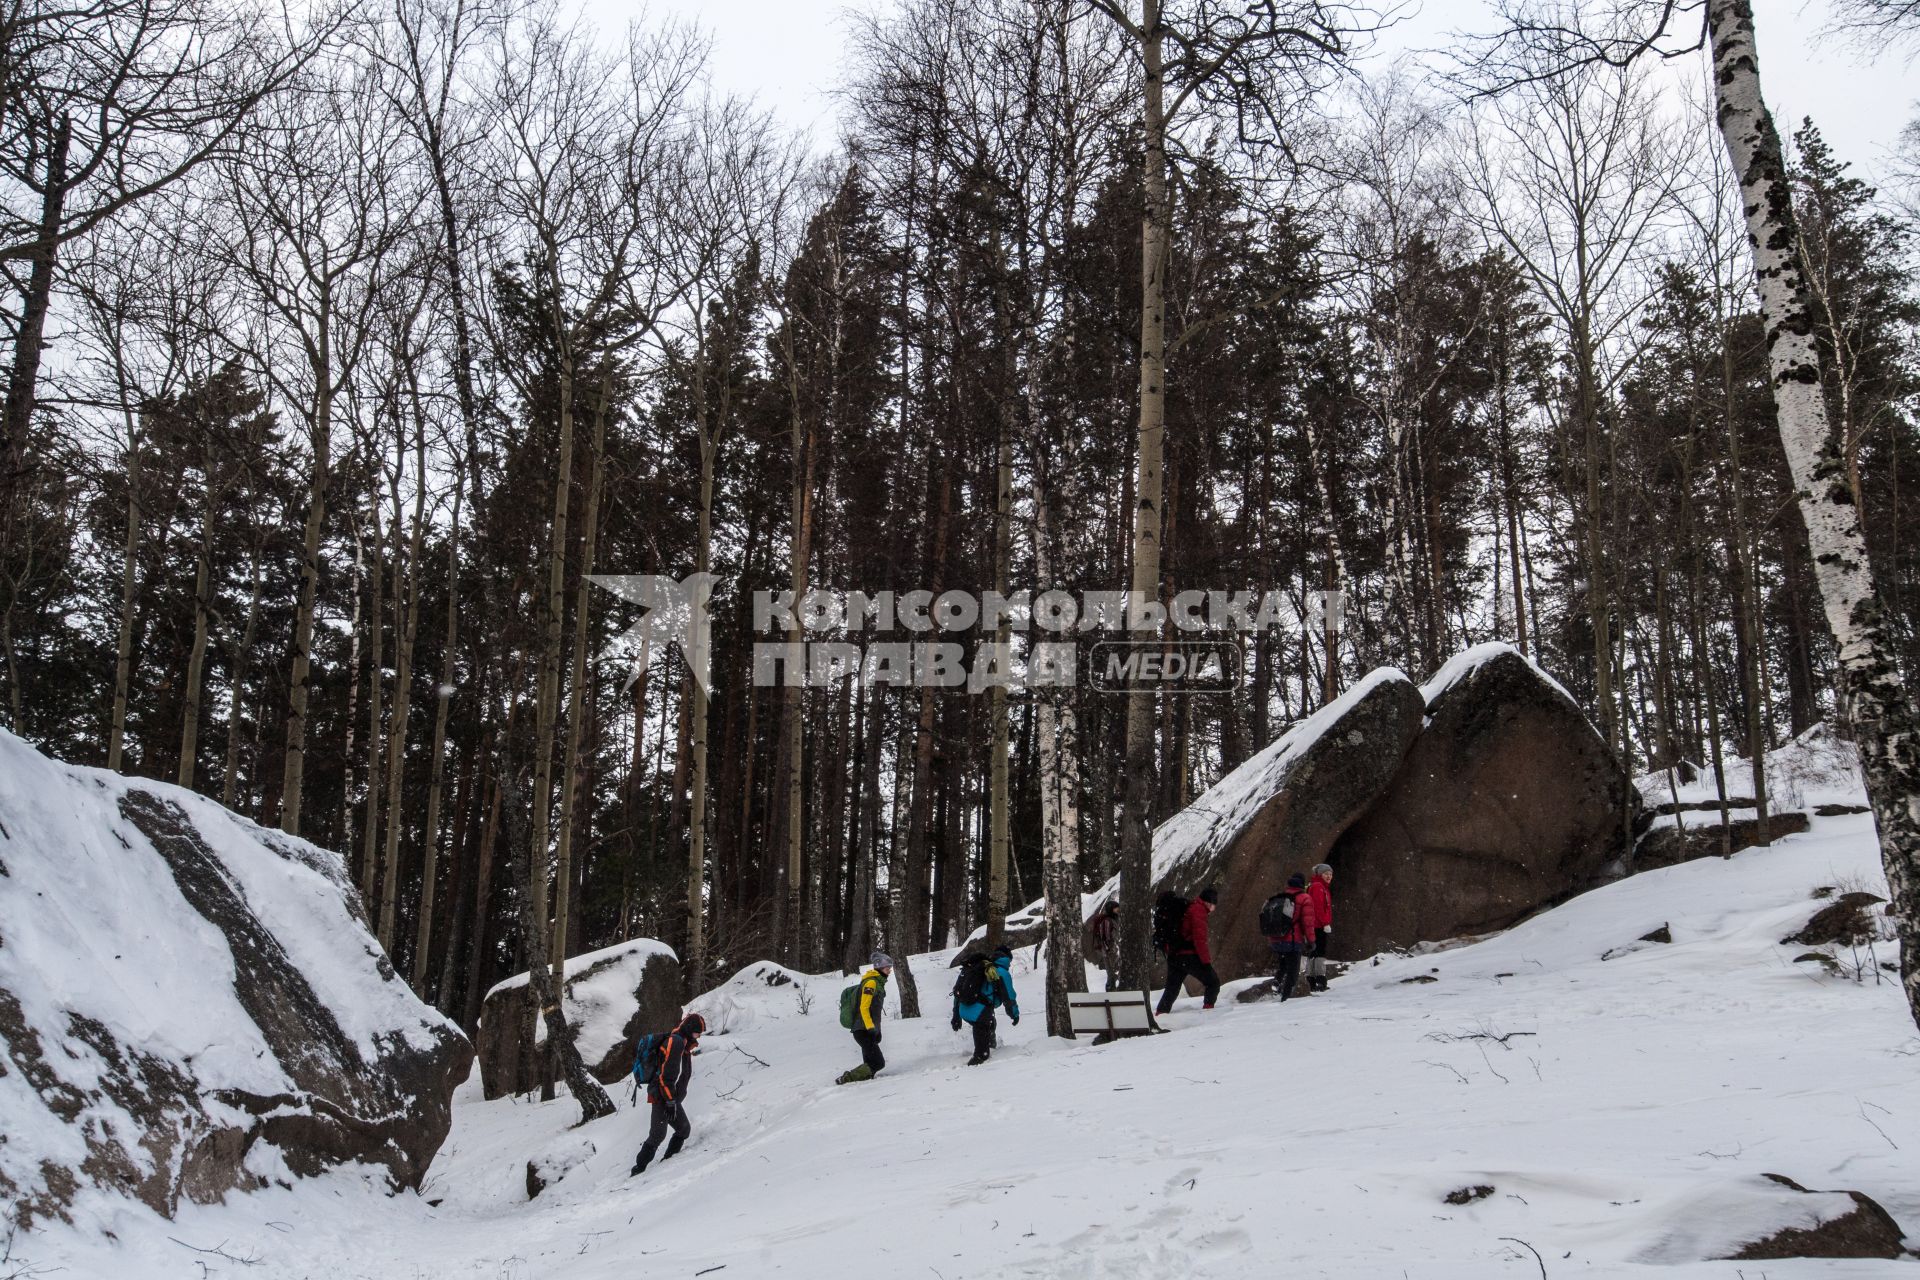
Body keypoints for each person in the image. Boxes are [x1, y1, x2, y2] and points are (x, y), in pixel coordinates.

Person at [630, 1012, 706, 1176]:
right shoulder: (676, 1042)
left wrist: (674, 1100)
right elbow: (666, 1076)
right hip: (662, 1096)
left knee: (683, 1129)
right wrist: (670, 1101)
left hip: (671, 1098)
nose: (699, 1036)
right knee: (658, 1135)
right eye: (697, 1032)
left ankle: (669, 1163)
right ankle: (638, 1170)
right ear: (689, 1029)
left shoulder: (683, 1043)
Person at [1155, 885, 1222, 1014]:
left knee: (1172, 988)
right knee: (1213, 982)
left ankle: (1160, 1014)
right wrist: (1206, 962)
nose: (1213, 909)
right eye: (1213, 905)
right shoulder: (1198, 910)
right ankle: (1209, 1012)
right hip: (1188, 955)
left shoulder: (1190, 907)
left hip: (1174, 954)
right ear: (1209, 902)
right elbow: (1199, 939)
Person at [950, 943, 1021, 1065]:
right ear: (1007, 959)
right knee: (983, 1033)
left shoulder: (979, 967)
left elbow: (958, 993)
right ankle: (979, 1059)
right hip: (979, 1012)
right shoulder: (1001, 972)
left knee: (990, 1021)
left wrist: (956, 1016)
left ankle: (991, 1046)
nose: (1010, 964)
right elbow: (1009, 997)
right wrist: (1014, 1014)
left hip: (964, 1009)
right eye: (1010, 961)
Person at [836, 951, 892, 1085]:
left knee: (870, 1064)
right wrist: (871, 1028)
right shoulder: (871, 983)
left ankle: (864, 1085)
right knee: (878, 1063)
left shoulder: (877, 983)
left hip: (866, 1030)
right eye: (887, 968)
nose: (889, 971)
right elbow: (864, 1007)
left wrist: (877, 1030)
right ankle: (846, 1079)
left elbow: (875, 1013)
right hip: (862, 1031)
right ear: (879, 968)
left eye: (889, 968)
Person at [1262, 873, 1319, 1000]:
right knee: (1293, 970)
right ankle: (1286, 998)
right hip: (1292, 940)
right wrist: (1311, 940)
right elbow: (1308, 922)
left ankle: (1277, 984)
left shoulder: (1280, 897)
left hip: (1276, 939)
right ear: (1302, 884)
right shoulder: (1304, 898)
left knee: (1283, 965)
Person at [1307, 863, 1335, 992]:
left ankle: (1312, 981)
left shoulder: (1319, 886)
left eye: (1330, 874)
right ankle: (1320, 980)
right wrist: (1325, 923)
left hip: (1314, 925)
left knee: (1313, 952)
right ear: (1320, 875)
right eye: (1326, 874)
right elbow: (1318, 907)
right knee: (1319, 952)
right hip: (1318, 925)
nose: (1329, 876)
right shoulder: (1318, 887)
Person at [1085, 900, 1120, 988]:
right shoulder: (1107, 920)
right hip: (1109, 950)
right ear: (1110, 909)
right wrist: (1109, 949)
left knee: (1112, 973)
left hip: (1111, 950)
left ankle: (1111, 990)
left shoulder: (1113, 919)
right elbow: (1105, 937)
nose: (1118, 910)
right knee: (1111, 973)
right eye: (1116, 908)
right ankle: (1110, 991)